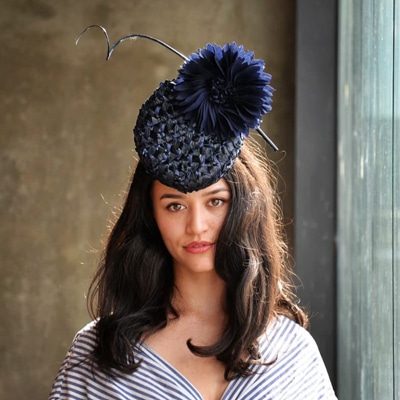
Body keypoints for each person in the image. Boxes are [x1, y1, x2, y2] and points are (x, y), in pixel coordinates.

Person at [49, 25, 337, 400]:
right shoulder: (97, 354)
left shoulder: (292, 352)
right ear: (150, 214)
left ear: (243, 206)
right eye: (175, 205)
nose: (196, 225)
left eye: (215, 201)